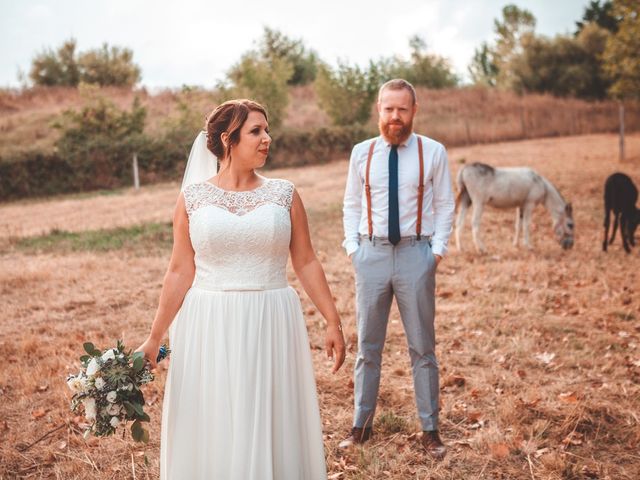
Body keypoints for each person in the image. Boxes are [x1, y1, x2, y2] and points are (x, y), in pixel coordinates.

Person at [136, 99, 346, 479]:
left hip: (271, 317)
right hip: (209, 322)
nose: (267, 139)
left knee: (269, 414)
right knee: (215, 416)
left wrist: (333, 320)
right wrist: (155, 337)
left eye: (267, 130)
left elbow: (306, 261)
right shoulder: (193, 199)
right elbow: (180, 270)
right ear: (226, 139)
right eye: (256, 131)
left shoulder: (285, 194)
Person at [340, 79, 455, 458]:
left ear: (413, 111)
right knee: (367, 347)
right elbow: (352, 204)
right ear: (378, 110)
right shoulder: (362, 153)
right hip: (370, 256)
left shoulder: (433, 152)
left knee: (423, 347)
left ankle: (430, 429)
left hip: (415, 255)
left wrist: (435, 254)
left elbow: (445, 205)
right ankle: (361, 426)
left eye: (402, 109)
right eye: (388, 109)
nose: (394, 116)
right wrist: (353, 249)